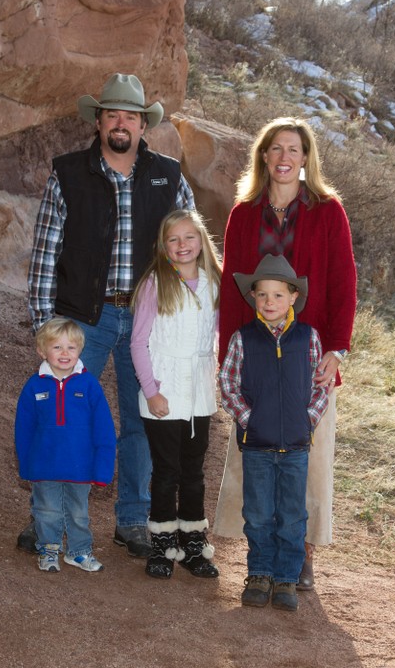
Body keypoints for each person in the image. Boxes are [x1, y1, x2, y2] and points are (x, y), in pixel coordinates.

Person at [20, 73, 195, 559]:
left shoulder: (169, 176)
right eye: (112, 115)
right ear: (98, 122)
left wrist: (183, 321)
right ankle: (45, 522)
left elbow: (189, 250)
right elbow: (45, 252)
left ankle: (133, 520)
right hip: (82, 322)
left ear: (144, 125)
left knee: (140, 423)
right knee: (63, 418)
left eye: (131, 117)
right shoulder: (68, 173)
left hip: (146, 324)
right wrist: (44, 325)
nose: (122, 124)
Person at [217, 117, 357, 589]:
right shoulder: (243, 212)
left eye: (293, 150)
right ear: (263, 156)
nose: (284, 158)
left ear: (306, 158)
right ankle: (260, 556)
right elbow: (229, 290)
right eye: (275, 148)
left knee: (309, 458)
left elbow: (343, 284)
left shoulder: (328, 211)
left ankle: (303, 556)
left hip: (308, 355)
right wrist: (227, 362)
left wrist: (336, 350)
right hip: (254, 353)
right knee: (252, 452)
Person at [219, 254, 328, 610]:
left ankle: (286, 578)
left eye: (278, 295)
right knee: (260, 513)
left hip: (296, 446)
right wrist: (249, 419)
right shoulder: (243, 338)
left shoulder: (308, 338)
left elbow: (320, 386)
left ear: (293, 297)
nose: (270, 302)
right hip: (257, 447)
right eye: (262, 295)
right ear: (253, 298)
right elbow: (228, 384)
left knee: (293, 514)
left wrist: (306, 419)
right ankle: (260, 573)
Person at [130, 209, 222, 579]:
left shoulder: (213, 282)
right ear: (163, 245)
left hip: (199, 391)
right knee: (167, 472)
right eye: (174, 239)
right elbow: (138, 343)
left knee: (194, 472)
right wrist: (151, 391)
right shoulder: (156, 282)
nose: (182, 245)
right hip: (163, 392)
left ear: (201, 242)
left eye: (189, 238)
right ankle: (162, 546)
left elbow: (216, 336)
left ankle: (194, 546)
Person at [15, 317, 116, 573]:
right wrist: (26, 465)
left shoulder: (89, 385)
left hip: (80, 466)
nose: (64, 353)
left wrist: (103, 469)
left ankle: (79, 552)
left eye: (71, 347)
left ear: (80, 350)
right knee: (46, 510)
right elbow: (24, 430)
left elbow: (104, 430)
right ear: (42, 350)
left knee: (79, 513)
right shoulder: (34, 386)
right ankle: (48, 549)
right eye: (57, 347)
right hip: (44, 464)